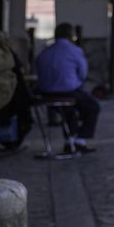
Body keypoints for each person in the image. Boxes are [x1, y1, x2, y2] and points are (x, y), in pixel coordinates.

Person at [35, 23, 100, 154]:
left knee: (69, 110)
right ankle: (80, 140)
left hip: (45, 93)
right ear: (71, 36)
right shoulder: (74, 50)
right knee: (93, 107)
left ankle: (69, 142)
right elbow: (83, 73)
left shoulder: (44, 51)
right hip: (68, 91)